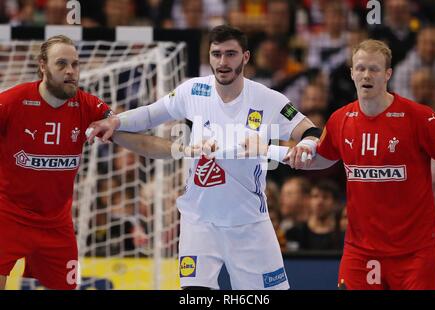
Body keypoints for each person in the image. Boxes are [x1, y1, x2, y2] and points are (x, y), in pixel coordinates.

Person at [86, 24, 321, 290]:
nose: (222, 62)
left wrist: (308, 143)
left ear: (245, 57)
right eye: (216, 54)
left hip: (249, 223)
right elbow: (150, 114)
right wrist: (115, 121)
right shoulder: (193, 90)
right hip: (199, 220)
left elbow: (310, 130)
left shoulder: (268, 99)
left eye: (230, 54)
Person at [0, 35, 177, 290]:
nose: (70, 71)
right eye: (61, 64)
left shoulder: (88, 105)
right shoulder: (12, 102)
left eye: (75, 64)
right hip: (8, 217)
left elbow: (135, 141)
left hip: (56, 225)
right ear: (42, 66)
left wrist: (180, 150)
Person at [285, 39, 435, 289]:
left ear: (388, 74)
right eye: (360, 68)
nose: (366, 75)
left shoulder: (419, 117)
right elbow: (323, 158)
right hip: (361, 252)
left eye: (374, 69)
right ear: (351, 73)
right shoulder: (340, 119)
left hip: (415, 252)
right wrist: (290, 155)